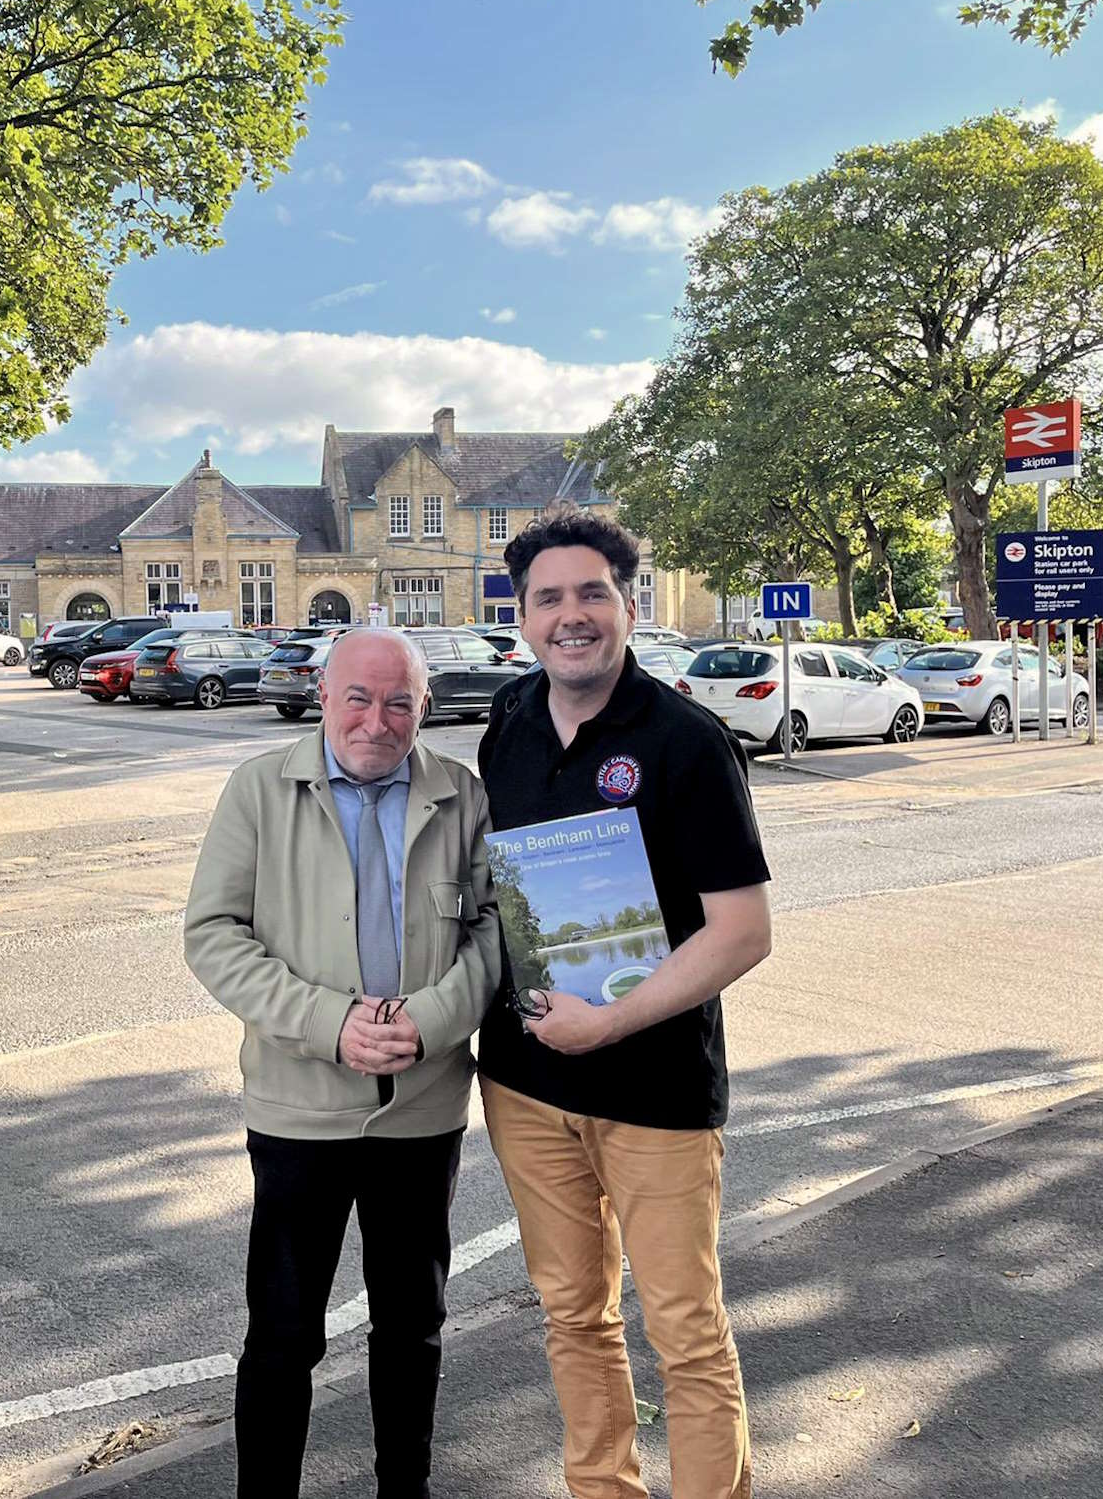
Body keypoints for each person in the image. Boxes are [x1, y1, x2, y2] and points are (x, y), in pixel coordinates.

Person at [477, 505, 772, 1499]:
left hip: (653, 1091)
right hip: (522, 1081)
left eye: (591, 593)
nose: (571, 615)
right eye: (547, 598)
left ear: (627, 604)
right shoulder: (508, 723)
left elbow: (740, 931)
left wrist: (605, 1021)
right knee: (571, 1315)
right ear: (520, 615)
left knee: (683, 1329)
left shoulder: (687, 740)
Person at [184, 628, 500, 1499]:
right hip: (298, 1112)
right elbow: (213, 934)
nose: (377, 719)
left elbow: (492, 932)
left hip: (422, 1110)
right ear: (322, 696)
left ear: (424, 708)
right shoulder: (258, 789)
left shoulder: (461, 794)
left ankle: (406, 1488)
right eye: (358, 697)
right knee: (284, 1334)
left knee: (412, 1325)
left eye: (400, 701)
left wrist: (431, 1021)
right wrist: (331, 1024)